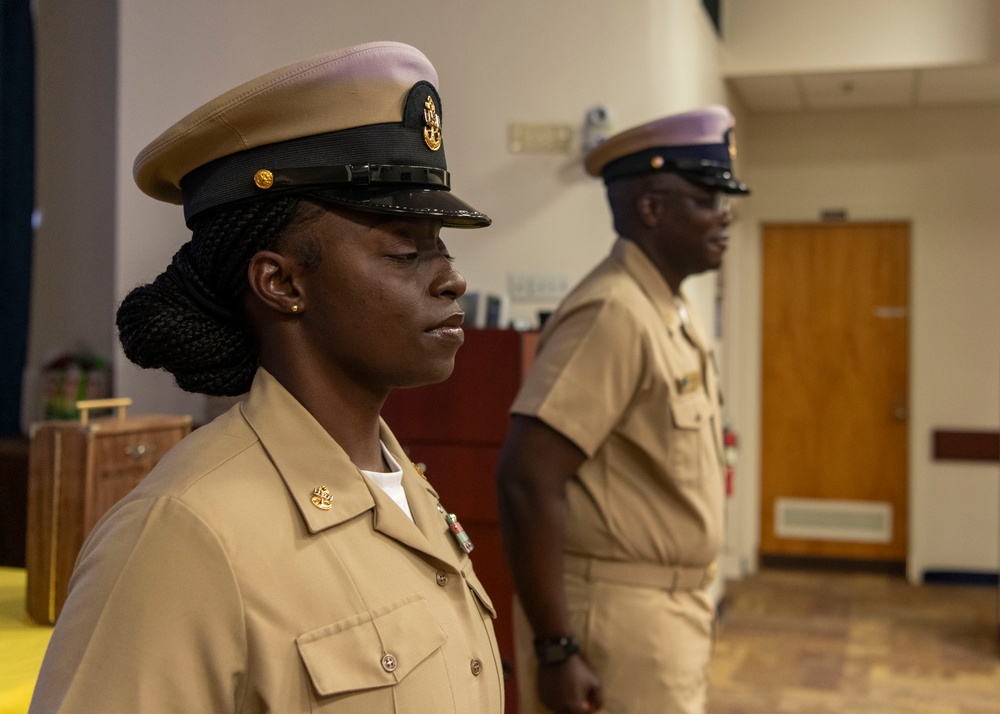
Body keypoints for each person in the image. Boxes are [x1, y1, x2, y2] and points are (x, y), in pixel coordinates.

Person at [29, 41, 504, 713]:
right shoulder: (183, 536)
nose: (451, 278)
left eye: (443, 247)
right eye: (405, 251)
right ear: (281, 282)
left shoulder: (404, 483)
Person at [495, 106, 750, 714]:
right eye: (708, 199)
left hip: (667, 611)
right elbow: (526, 479)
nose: (725, 218)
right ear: (652, 208)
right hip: (615, 620)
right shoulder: (614, 312)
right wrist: (557, 648)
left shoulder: (664, 307)